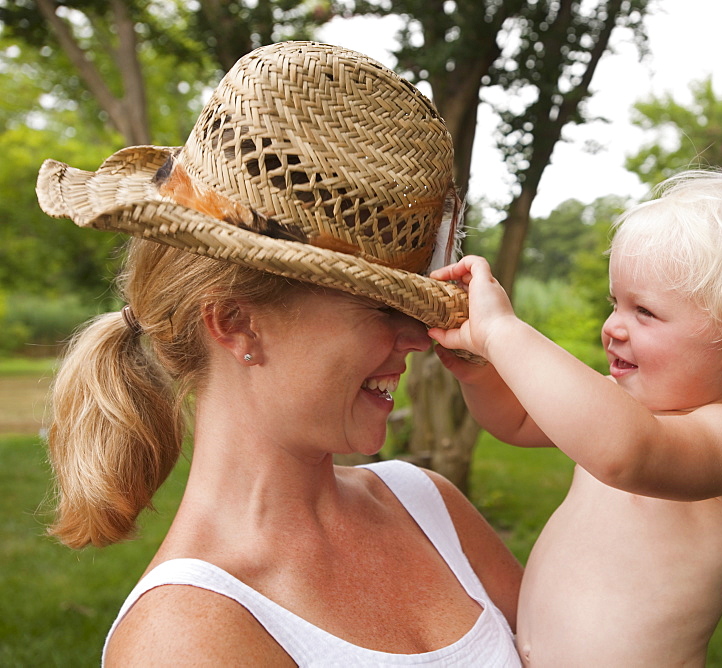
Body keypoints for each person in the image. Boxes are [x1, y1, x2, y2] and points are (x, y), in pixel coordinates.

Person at [36, 42, 522, 666]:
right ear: (235, 323)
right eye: (383, 309)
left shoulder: (427, 504)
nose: (418, 339)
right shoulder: (184, 638)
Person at [428, 170, 722, 666]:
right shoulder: (619, 409)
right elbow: (517, 420)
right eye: (614, 304)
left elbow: (625, 453)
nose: (611, 327)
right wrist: (483, 376)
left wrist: (504, 333)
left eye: (643, 311)